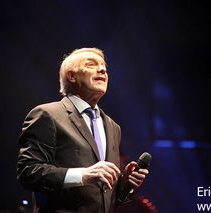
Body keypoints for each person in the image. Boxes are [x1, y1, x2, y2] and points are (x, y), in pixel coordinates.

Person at [17, 48, 149, 213]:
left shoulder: (113, 127)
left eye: (104, 67)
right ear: (71, 76)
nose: (102, 70)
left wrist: (124, 184)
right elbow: (28, 173)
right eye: (91, 65)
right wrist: (82, 175)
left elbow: (105, 198)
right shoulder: (48, 115)